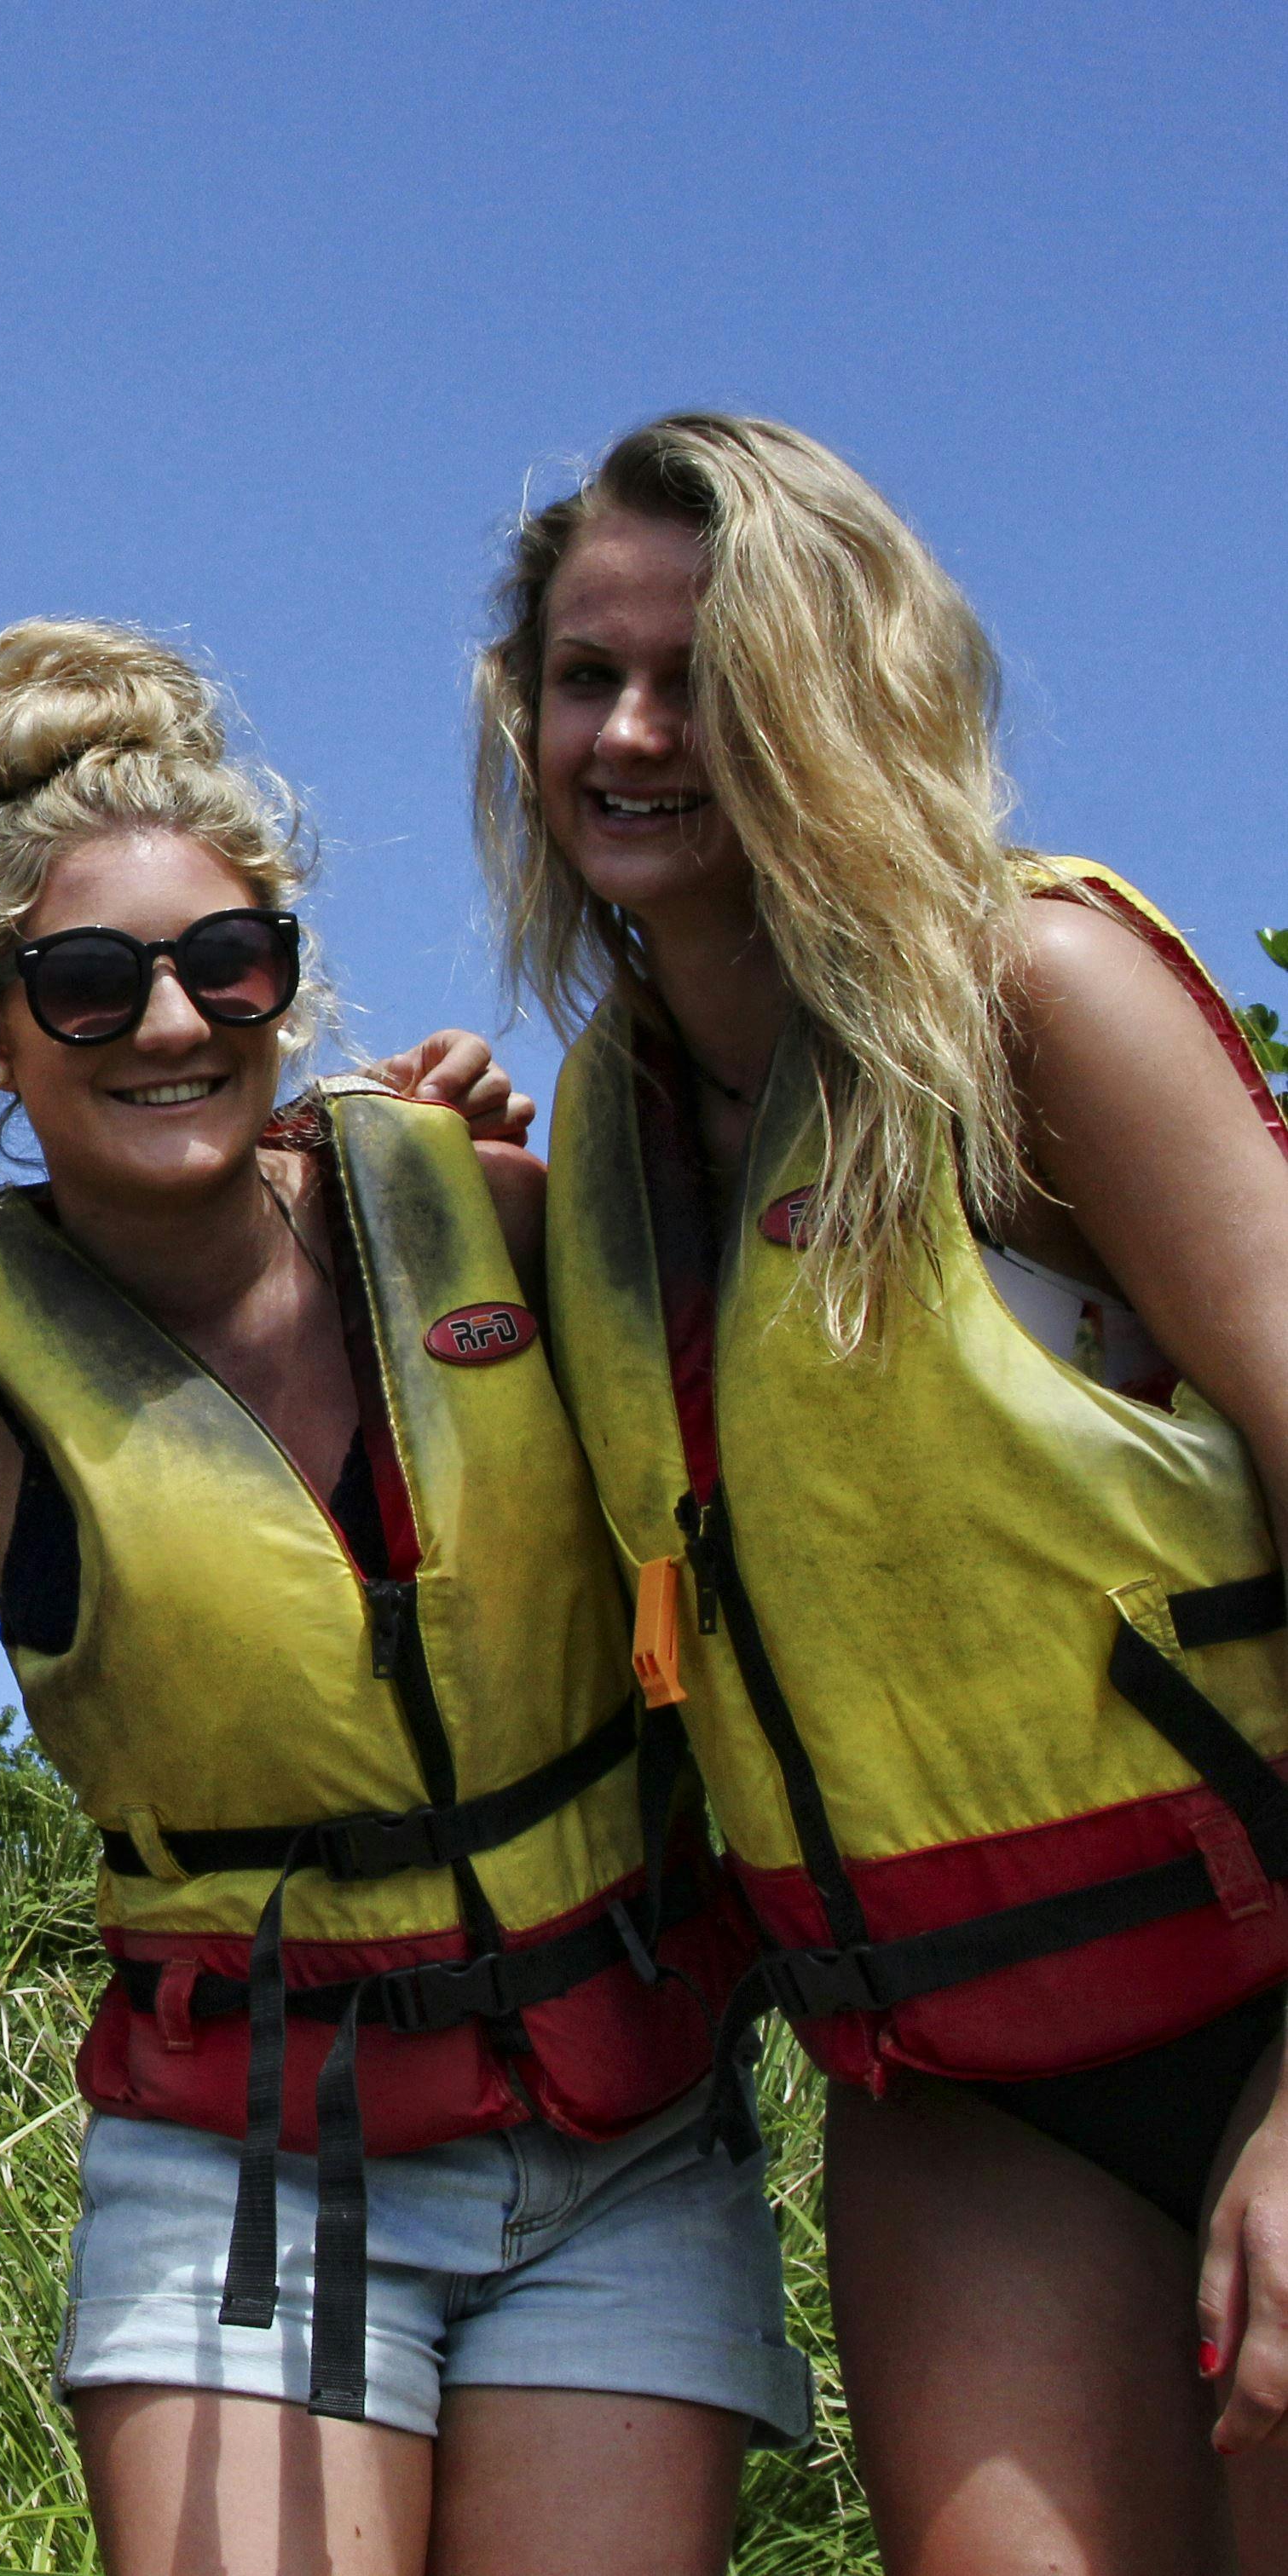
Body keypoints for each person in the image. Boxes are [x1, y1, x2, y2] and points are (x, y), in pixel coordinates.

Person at [0, 622, 799, 2574]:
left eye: (224, 964)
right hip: (246, 2168)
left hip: (619, 2127)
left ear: (285, 978)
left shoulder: (488, 1216)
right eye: (85, 987)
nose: (170, 1024)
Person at [483, 413, 1288, 2570]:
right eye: (583, 678)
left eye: (704, 676)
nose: (631, 733)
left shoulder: (1032, 1001)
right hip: (948, 2087)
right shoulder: (607, 1137)